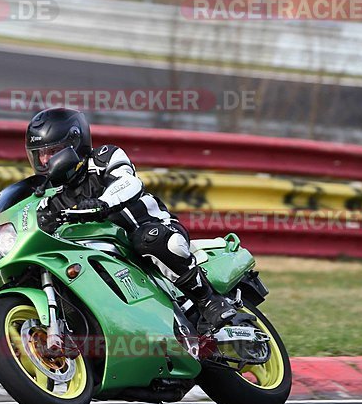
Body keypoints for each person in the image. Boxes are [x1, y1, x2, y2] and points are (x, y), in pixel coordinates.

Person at [26, 107, 237, 331]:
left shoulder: (104, 157)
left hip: (152, 229)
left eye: (53, 151)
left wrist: (103, 203)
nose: (46, 159)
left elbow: (128, 182)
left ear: (75, 144)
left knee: (149, 239)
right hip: (104, 253)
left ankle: (209, 300)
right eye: (41, 153)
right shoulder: (50, 194)